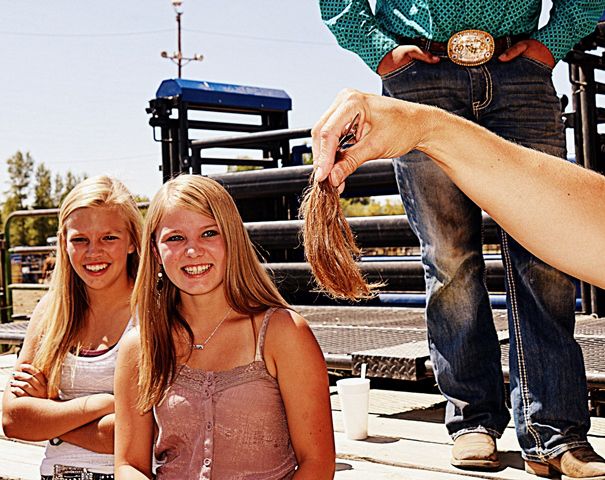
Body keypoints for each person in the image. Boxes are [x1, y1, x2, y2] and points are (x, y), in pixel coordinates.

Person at [318, 0, 605, 474]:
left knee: (548, 257)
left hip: (522, 74)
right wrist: (382, 52)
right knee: (448, 257)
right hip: (420, 78)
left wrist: (550, 46)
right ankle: (472, 420)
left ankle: (555, 432)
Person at [114, 174, 335, 480]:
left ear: (231, 238)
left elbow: (317, 463)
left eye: (208, 233)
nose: (193, 251)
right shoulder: (140, 347)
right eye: (175, 238)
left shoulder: (282, 333)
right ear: (155, 251)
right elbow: (127, 466)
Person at [2, 175, 142, 480]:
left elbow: (140, 434)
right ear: (64, 243)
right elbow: (14, 420)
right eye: (80, 239)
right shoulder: (51, 311)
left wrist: (52, 415)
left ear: (132, 241)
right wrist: (102, 404)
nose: (93, 252)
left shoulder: (151, 313)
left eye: (109, 238)